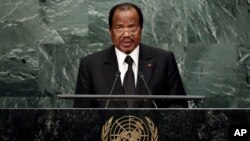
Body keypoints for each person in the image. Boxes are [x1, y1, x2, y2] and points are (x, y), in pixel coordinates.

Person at [73, 3, 187, 108]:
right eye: (119, 28)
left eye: (133, 27)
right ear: (110, 31)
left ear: (141, 29)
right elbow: (81, 113)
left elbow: (179, 107)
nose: (127, 34)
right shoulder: (91, 64)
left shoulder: (163, 60)